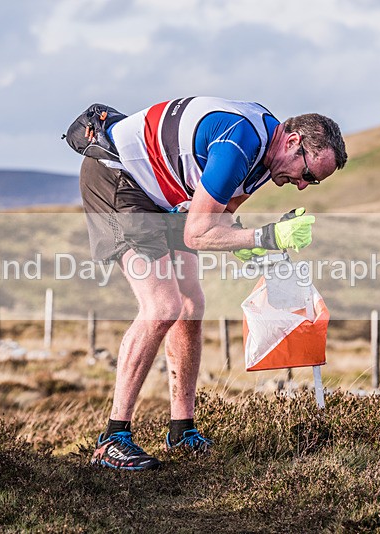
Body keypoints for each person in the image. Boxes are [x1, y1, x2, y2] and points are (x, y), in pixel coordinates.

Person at [79, 96, 347, 470]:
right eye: (309, 174)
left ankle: (182, 430)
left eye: (312, 183)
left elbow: (220, 217)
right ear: (292, 141)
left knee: (191, 306)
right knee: (163, 307)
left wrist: (251, 245)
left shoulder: (265, 161)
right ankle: (112, 439)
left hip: (164, 195)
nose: (303, 186)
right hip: (116, 175)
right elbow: (198, 233)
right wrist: (268, 236)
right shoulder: (240, 143)